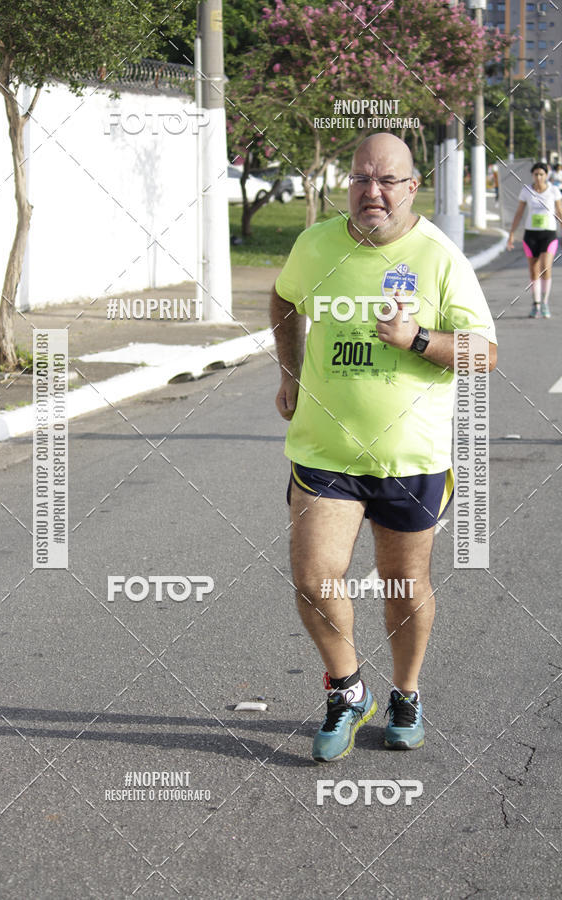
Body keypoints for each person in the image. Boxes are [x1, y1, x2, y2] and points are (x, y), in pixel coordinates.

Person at [270, 133, 497, 763]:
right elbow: (285, 298)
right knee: (316, 578)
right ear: (348, 185)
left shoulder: (440, 257)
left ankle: (406, 693)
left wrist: (419, 338)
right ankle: (347, 690)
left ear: (411, 186)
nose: (373, 192)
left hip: (411, 459)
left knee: (402, 584)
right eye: (362, 179)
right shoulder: (317, 243)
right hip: (325, 451)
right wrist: (289, 372)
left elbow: (485, 353)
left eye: (388, 180)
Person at [507, 162, 562, 319]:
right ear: (532, 175)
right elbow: (519, 213)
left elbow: (559, 211)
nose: (538, 177)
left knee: (546, 267)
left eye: (541, 174)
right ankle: (536, 304)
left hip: (549, 235)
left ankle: (545, 302)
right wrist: (511, 233)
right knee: (534, 271)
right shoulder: (526, 191)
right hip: (531, 235)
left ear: (547, 175)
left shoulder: (554, 191)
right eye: (536, 174)